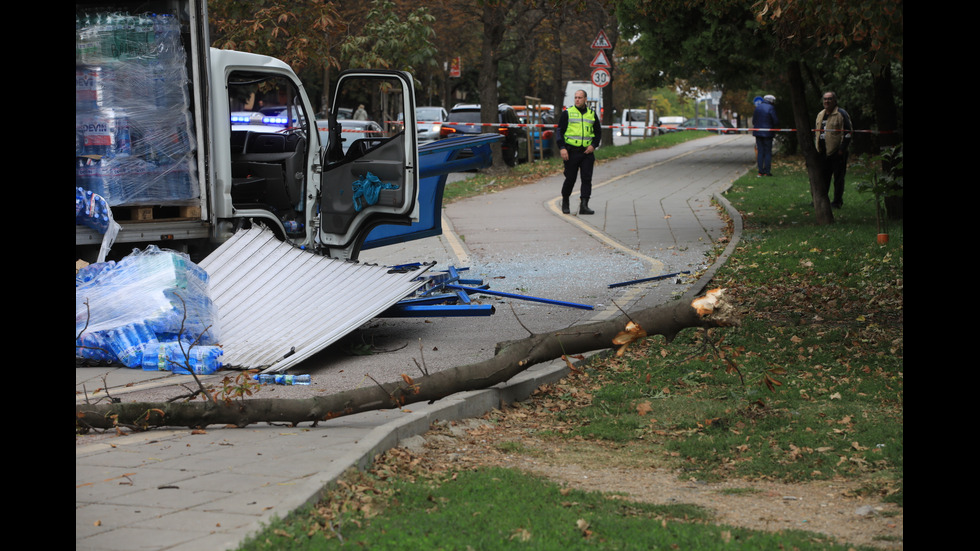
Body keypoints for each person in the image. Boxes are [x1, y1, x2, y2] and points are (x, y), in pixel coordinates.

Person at [557, 90, 601, 215]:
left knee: (586, 179)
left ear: (585, 99)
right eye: (575, 97)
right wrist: (562, 148)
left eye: (580, 97)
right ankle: (565, 201)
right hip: (571, 152)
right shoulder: (568, 113)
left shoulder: (592, 114)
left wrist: (593, 145)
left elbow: (598, 133)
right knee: (570, 178)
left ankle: (584, 205)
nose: (577, 99)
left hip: (587, 152)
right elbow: (559, 131)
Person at [814, 91, 853, 209]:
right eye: (825, 99)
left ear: (835, 101)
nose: (827, 101)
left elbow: (848, 132)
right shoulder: (820, 114)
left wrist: (842, 149)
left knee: (838, 179)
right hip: (822, 152)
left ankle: (837, 202)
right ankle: (822, 200)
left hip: (837, 152)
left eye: (829, 99)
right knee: (823, 178)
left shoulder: (841, 114)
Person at [752, 94, 778, 177]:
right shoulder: (771, 108)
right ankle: (767, 171)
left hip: (758, 133)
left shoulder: (757, 108)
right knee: (767, 152)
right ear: (771, 101)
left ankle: (760, 171)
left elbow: (753, 121)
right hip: (768, 134)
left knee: (760, 152)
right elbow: (775, 121)